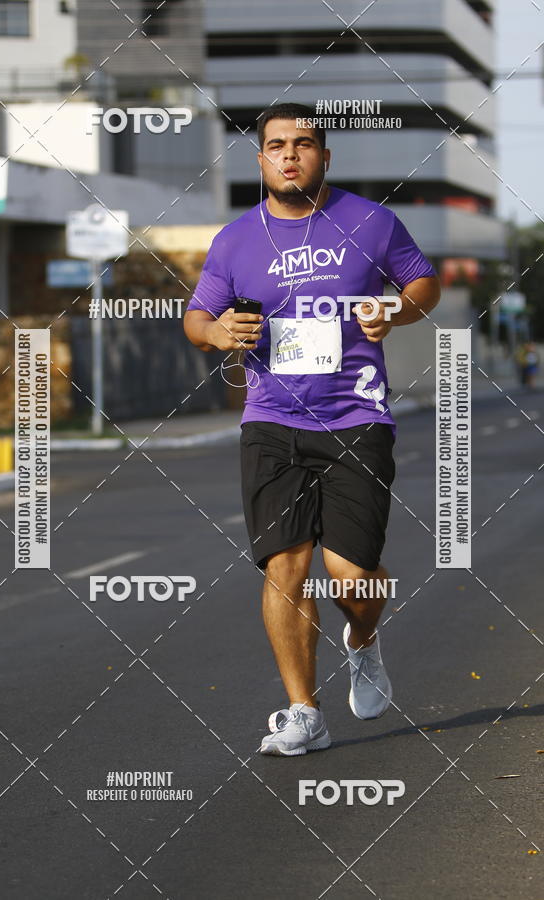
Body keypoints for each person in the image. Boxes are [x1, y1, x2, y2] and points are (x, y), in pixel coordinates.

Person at [184, 102, 440, 756]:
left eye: (303, 143)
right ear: (261, 158)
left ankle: (364, 638)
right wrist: (215, 331)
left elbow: (423, 283)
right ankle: (305, 711)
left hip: (356, 418)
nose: (289, 154)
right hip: (271, 422)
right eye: (276, 145)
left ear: (326, 156)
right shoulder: (236, 240)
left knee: (353, 578)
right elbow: (197, 316)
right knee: (286, 568)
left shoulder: (370, 222)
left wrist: (395, 308)